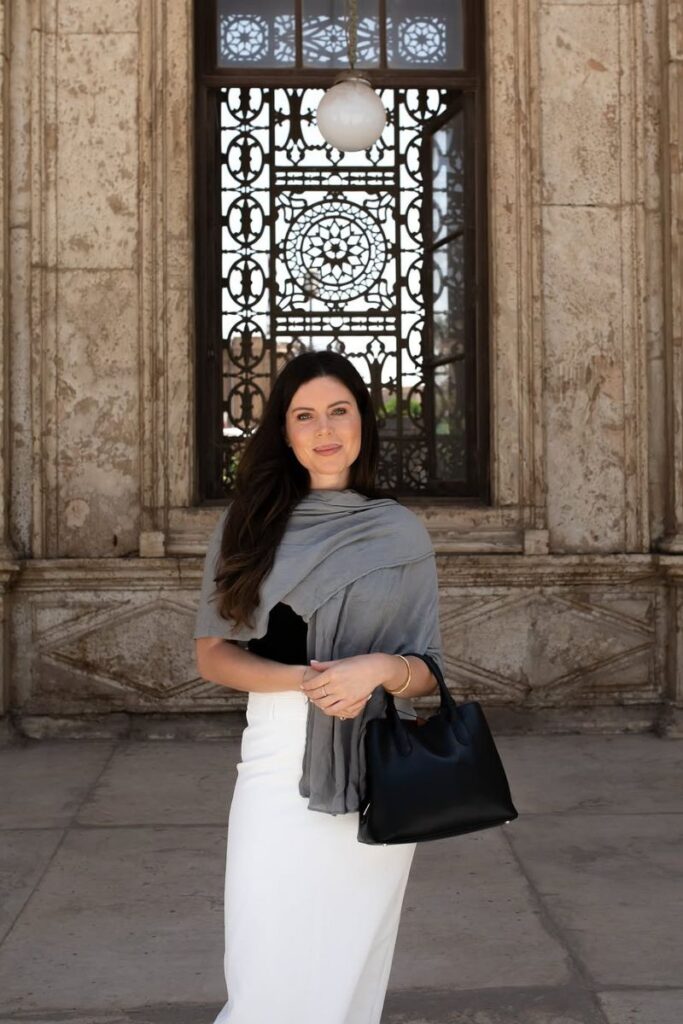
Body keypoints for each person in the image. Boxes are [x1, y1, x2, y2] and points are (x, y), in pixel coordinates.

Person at [193, 350, 443, 1024]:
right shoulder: (248, 524)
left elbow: (428, 667)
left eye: (338, 410)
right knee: (265, 965)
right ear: (285, 430)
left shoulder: (399, 531)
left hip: (375, 763)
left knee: (346, 973)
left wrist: (380, 669)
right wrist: (304, 680)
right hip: (277, 757)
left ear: (363, 421)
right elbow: (213, 654)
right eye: (304, 415)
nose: (324, 429)